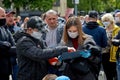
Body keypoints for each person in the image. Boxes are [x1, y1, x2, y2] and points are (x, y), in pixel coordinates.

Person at [43, 9, 65, 75]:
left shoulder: (63, 28)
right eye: (49, 19)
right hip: (46, 62)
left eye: (53, 18)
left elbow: (63, 43)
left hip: (59, 62)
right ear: (46, 19)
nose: (52, 21)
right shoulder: (42, 30)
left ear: (57, 18)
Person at [101, 13, 120, 80]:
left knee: (115, 73)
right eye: (104, 20)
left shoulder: (117, 29)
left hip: (113, 54)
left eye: (107, 20)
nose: (105, 22)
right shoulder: (103, 29)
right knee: (107, 73)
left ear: (111, 20)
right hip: (104, 53)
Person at [0, 7, 16, 80]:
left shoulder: (4, 28)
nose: (4, 18)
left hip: (6, 68)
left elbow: (12, 45)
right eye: (3, 16)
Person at [6, 9, 21, 80]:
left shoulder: (19, 30)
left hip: (16, 62)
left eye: (12, 16)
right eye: (8, 16)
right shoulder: (2, 29)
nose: (11, 18)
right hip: (4, 62)